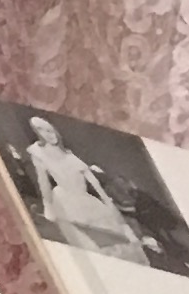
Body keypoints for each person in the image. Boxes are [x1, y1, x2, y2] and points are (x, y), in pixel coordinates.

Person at [20, 111, 146, 262]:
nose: (49, 135)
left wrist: (108, 203)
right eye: (42, 131)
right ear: (37, 134)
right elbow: (43, 181)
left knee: (114, 235)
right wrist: (48, 206)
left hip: (86, 200)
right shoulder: (39, 153)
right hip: (66, 200)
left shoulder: (70, 156)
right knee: (87, 240)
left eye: (50, 130)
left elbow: (93, 182)